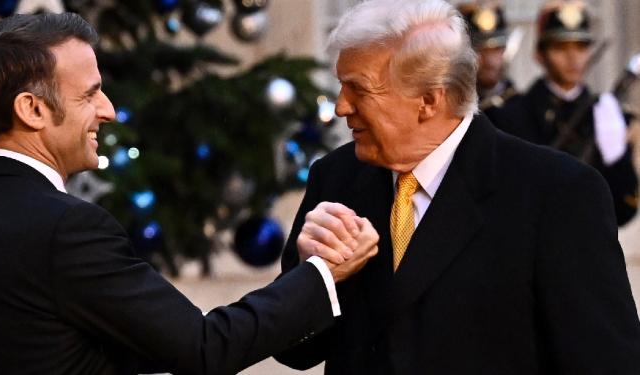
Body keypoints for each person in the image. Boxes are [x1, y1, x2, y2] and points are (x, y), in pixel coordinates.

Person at [0, 12, 380, 375]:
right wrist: (321, 273)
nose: (109, 111)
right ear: (32, 109)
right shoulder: (66, 227)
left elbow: (63, 345)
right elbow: (204, 350)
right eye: (90, 95)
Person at [274, 0, 640, 373]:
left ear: (429, 100)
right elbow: (293, 351)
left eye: (359, 90)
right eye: (341, 87)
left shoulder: (557, 193)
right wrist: (312, 278)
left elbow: (607, 362)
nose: (341, 107)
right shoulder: (335, 178)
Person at [502, 1, 638, 225]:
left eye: (581, 47)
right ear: (538, 54)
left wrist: (617, 160)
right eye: (560, 47)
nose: (573, 58)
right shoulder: (512, 115)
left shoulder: (608, 117)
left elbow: (624, 211)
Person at [457, 2, 521, 132]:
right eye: (480, 50)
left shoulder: (525, 107)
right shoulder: (454, 109)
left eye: (496, 49)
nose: (490, 61)